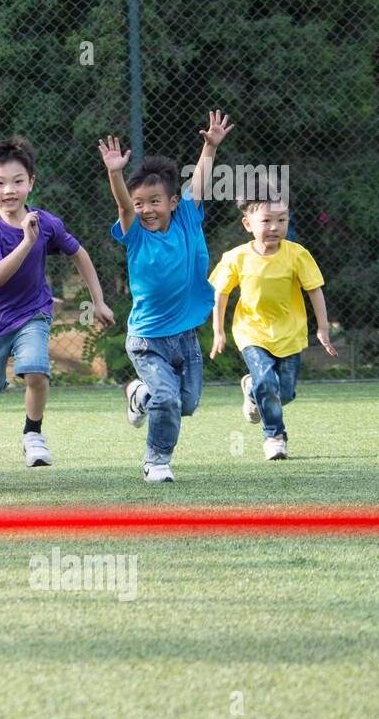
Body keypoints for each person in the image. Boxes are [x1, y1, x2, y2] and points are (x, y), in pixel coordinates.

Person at [0, 136, 115, 487]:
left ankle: (33, 432)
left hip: (33, 313)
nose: (9, 190)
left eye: (18, 181)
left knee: (35, 370)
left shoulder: (46, 222)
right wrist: (28, 242)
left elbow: (79, 253)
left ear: (31, 183)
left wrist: (99, 300)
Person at [99, 110, 233, 482]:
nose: (146, 209)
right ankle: (156, 461)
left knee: (185, 405)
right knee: (168, 400)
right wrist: (114, 172)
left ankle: (138, 395)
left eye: (154, 202)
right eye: (141, 203)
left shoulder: (189, 217)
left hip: (185, 337)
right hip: (147, 340)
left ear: (173, 202)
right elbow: (124, 206)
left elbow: (200, 183)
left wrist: (209, 147)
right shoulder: (136, 233)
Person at [209, 178, 337, 459]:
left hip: (290, 334)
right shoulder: (236, 257)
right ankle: (274, 437)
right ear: (248, 224)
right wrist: (219, 331)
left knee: (285, 393)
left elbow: (314, 290)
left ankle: (251, 390)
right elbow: (220, 293)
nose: (275, 227)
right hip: (251, 333)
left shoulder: (297, 255)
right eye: (267, 221)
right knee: (268, 382)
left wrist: (323, 328)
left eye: (282, 220)